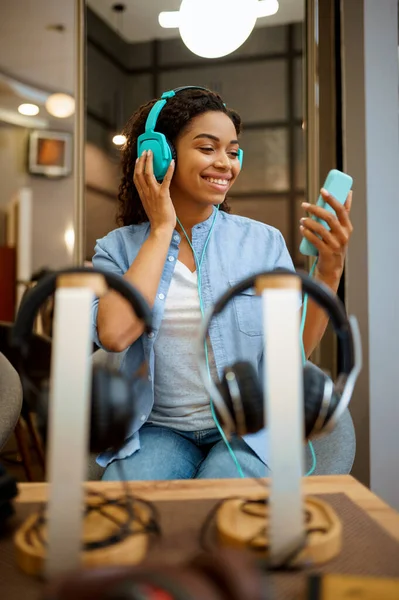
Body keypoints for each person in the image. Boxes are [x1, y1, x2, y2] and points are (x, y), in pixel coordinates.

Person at [91, 87, 353, 481]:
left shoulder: (263, 243)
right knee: (127, 508)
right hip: (158, 431)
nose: (225, 164)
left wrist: (329, 271)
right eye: (208, 148)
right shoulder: (117, 249)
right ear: (160, 155)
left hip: (247, 430)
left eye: (232, 151)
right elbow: (113, 335)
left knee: (226, 510)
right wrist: (161, 229)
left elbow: (292, 350)